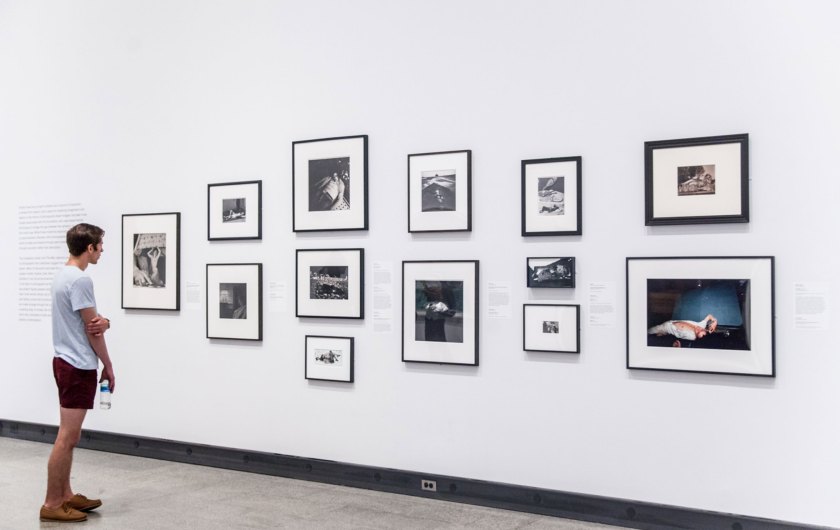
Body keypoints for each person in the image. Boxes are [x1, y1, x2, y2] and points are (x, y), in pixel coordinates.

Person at [41, 223, 115, 523]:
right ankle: (51, 503)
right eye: (100, 245)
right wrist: (108, 365)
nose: (102, 251)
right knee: (67, 437)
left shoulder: (62, 275)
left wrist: (104, 320)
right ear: (89, 248)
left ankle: (66, 494)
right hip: (77, 364)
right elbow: (93, 328)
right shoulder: (81, 280)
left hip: (65, 361)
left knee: (70, 436)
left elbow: (93, 321)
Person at [648, 314, 718, 347]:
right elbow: (709, 316)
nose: (698, 331)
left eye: (698, 334)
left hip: (667, 327)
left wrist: (678, 345)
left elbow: (681, 341)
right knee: (655, 333)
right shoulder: (701, 325)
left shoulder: (691, 337)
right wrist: (715, 321)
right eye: (701, 332)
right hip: (671, 322)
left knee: (650, 331)